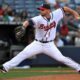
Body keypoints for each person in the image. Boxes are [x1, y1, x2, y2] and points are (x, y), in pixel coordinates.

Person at [0, 3, 80, 73]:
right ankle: (5, 67)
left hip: (50, 45)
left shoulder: (56, 14)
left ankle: (78, 68)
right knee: (23, 54)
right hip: (37, 44)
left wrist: (75, 13)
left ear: (48, 10)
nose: (40, 11)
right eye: (40, 9)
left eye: (42, 9)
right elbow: (28, 21)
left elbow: (65, 8)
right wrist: (23, 27)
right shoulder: (38, 18)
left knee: (61, 58)